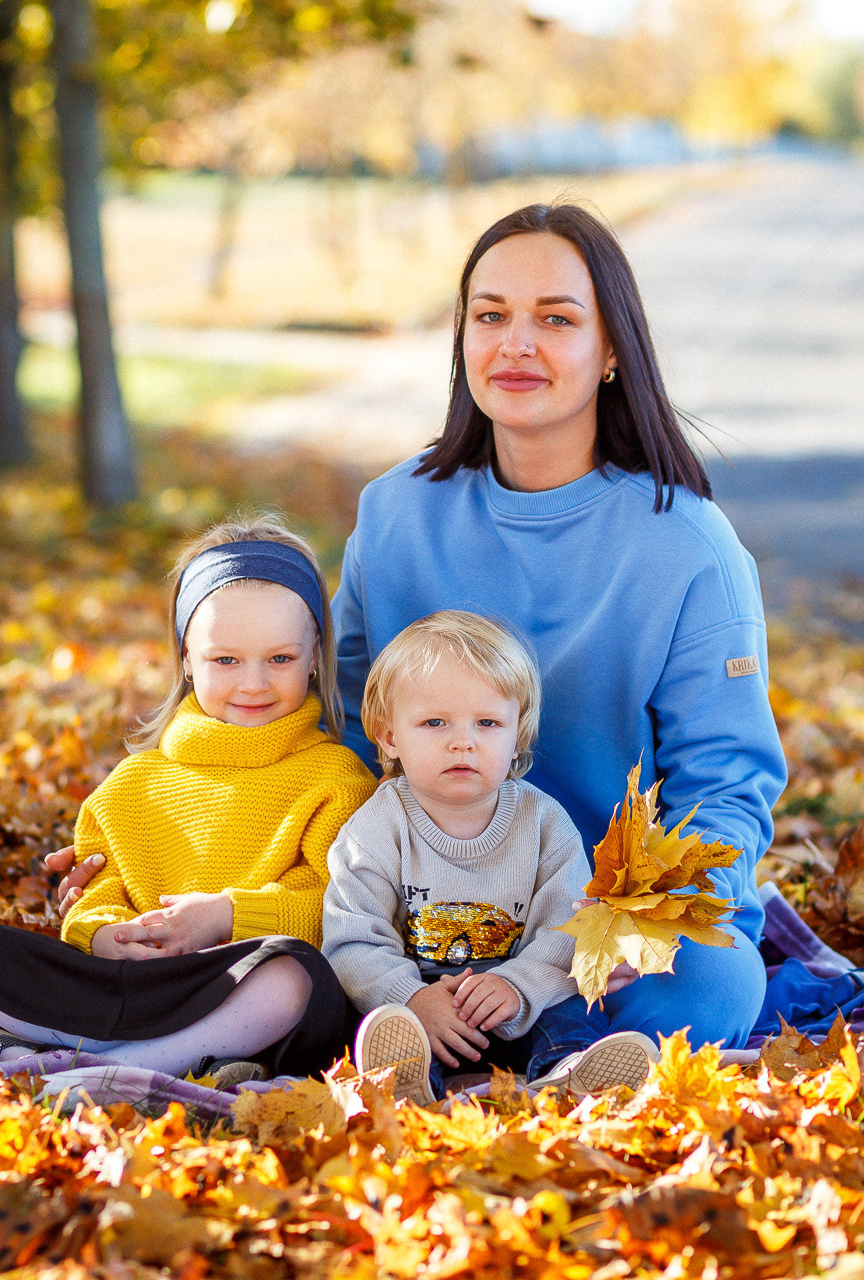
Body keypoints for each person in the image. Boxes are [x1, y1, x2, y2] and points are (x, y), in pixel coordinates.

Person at [328, 202, 788, 1053]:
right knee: (284, 948)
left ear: (612, 349)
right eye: (490, 315)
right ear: (461, 337)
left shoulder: (686, 545)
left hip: (591, 929)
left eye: (557, 320)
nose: (516, 344)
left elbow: (724, 786)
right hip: (408, 901)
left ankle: (542, 1054)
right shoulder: (395, 515)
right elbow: (335, 731)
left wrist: (628, 923)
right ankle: (428, 1026)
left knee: (717, 980)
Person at [0, 515, 376, 1085]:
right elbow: (101, 888)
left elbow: (337, 905)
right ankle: (175, 1063)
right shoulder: (135, 783)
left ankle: (105, 1068)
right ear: (186, 658)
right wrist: (106, 934)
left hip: (236, 981)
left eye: (280, 659)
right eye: (226, 660)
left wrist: (225, 917)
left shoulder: (336, 778)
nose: (253, 683)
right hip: (140, 984)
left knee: (296, 976)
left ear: (314, 657)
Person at [321, 611, 657, 1104]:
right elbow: (352, 939)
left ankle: (569, 1074)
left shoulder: (543, 823)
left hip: (514, 998)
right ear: (390, 736)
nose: (464, 741)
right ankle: (402, 1083)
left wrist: (519, 985)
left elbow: (567, 929)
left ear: (517, 735)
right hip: (419, 1001)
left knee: (566, 1012)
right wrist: (410, 997)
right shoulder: (375, 828)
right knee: (378, 1023)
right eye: (434, 722)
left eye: (488, 722)